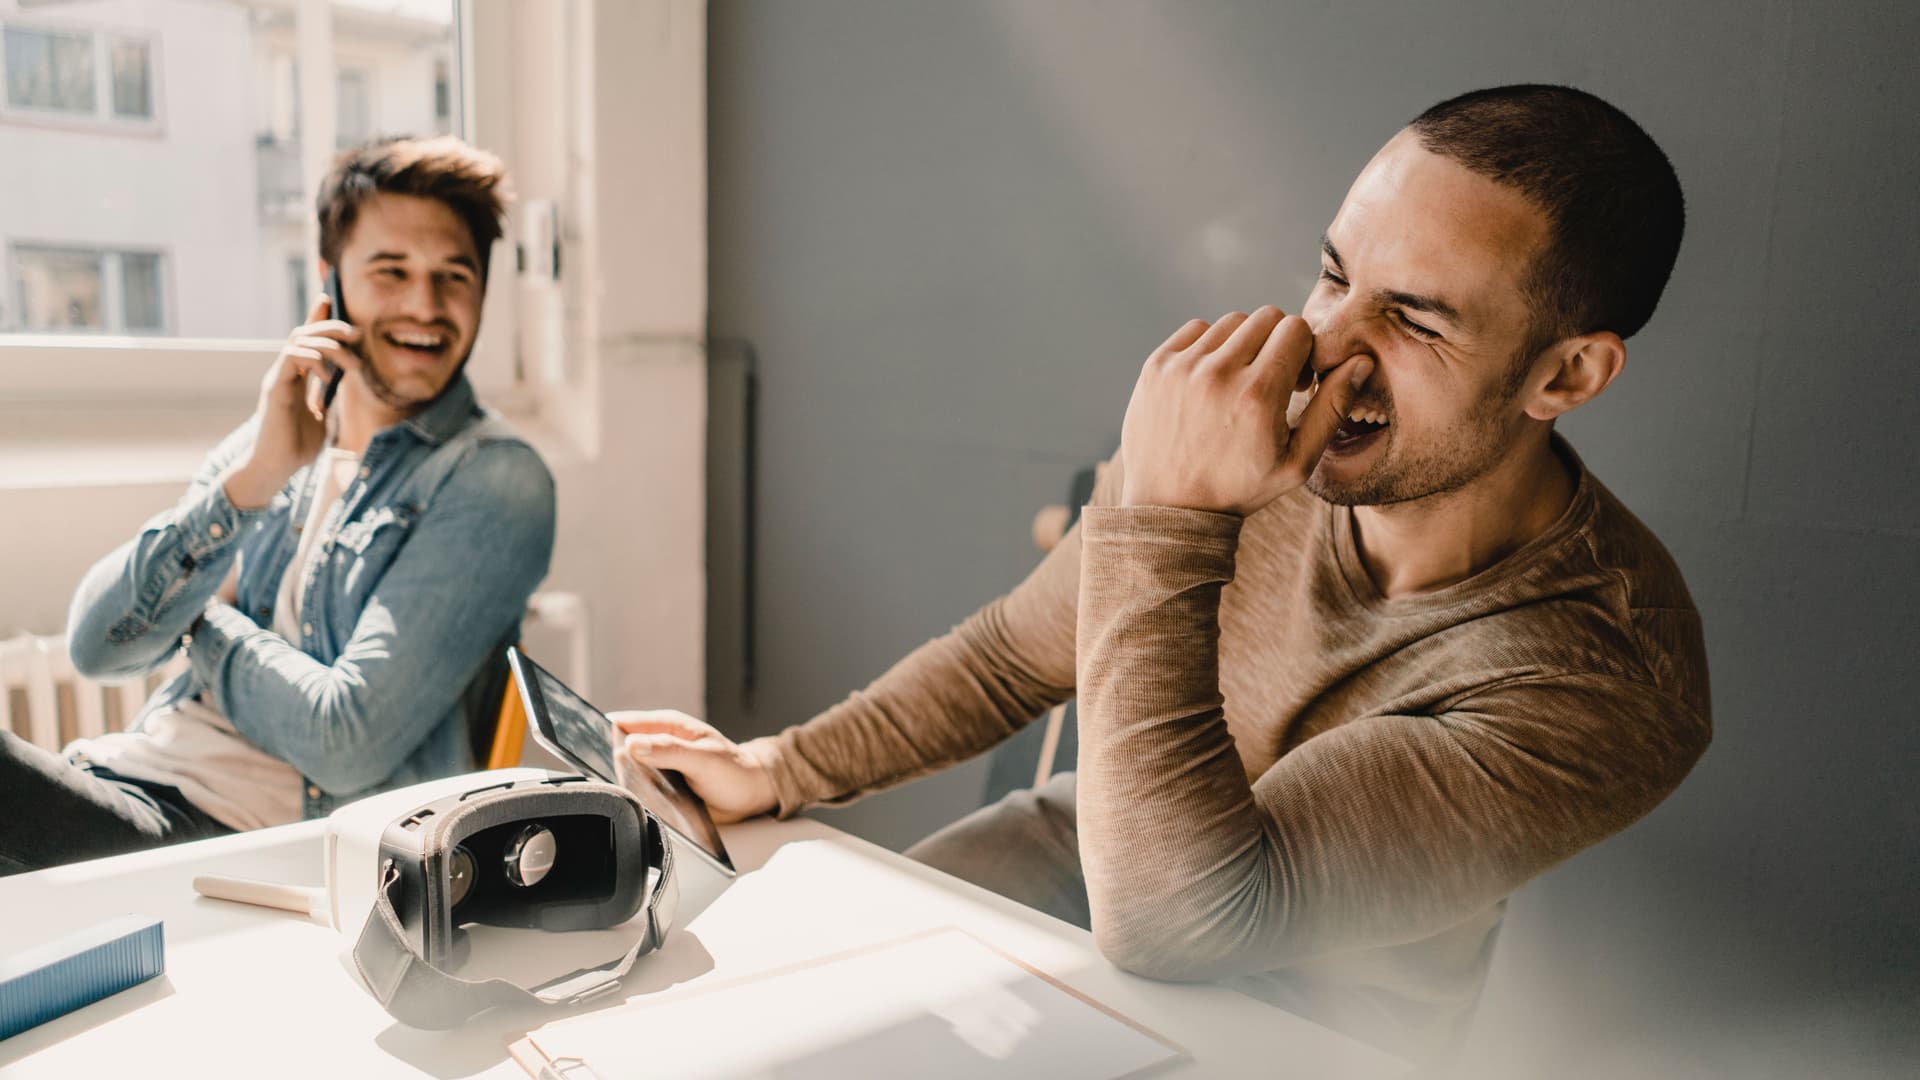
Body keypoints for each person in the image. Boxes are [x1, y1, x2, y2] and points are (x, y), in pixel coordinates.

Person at [609, 84, 1711, 1060]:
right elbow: (1009, 656)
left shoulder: (1613, 674)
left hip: (1308, 1018)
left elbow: (1193, 920)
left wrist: (1171, 516)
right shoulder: (1262, 442)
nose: (1328, 344)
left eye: (1414, 320)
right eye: (1334, 275)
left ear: (1565, 373)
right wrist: (781, 765)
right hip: (1071, 859)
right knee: (762, 1004)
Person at [0, 136, 556, 876]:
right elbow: (97, 647)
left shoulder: (494, 480)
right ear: (330, 283)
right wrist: (255, 475)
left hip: (240, 846)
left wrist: (195, 621)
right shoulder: (280, 440)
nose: (425, 306)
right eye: (391, 271)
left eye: (453, 277)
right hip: (124, 774)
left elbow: (344, 740)